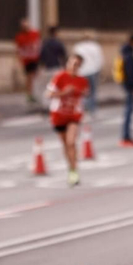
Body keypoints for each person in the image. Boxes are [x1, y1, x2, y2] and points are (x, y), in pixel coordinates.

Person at [47, 53, 90, 187]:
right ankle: (71, 168)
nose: (74, 67)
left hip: (73, 115)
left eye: (77, 65)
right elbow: (49, 94)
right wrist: (64, 93)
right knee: (65, 144)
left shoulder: (82, 80)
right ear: (68, 63)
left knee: (71, 142)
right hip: (58, 115)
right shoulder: (60, 77)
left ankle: (74, 170)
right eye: (72, 63)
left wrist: (82, 93)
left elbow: (85, 93)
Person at [72, 35, 104, 121]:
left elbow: (75, 60)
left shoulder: (78, 47)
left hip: (82, 72)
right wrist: (98, 70)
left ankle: (83, 110)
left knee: (82, 92)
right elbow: (100, 59)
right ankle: (92, 110)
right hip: (93, 71)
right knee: (93, 92)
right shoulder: (95, 46)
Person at [118, 34, 133, 146]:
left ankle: (126, 136)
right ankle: (126, 136)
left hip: (127, 86)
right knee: (128, 112)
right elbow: (131, 74)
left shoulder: (124, 52)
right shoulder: (129, 55)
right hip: (130, 88)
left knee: (128, 111)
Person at [15, 19, 42, 109]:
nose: (25, 27)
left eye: (26, 26)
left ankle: (34, 93)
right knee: (29, 78)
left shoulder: (35, 34)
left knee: (34, 76)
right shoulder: (20, 37)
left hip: (35, 59)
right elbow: (18, 49)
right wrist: (19, 59)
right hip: (26, 60)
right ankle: (29, 94)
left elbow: (39, 45)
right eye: (23, 26)